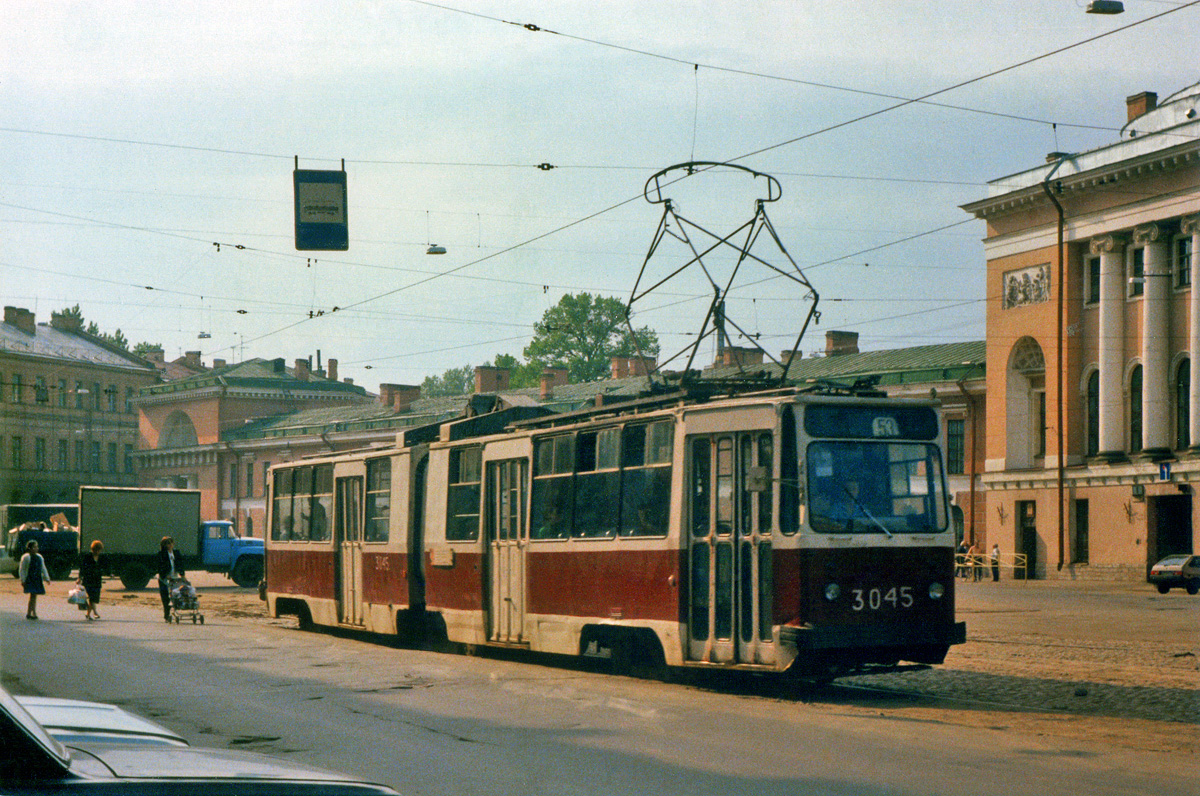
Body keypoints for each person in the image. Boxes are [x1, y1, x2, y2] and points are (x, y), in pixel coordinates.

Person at [19, 540, 52, 620]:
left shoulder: (39, 557)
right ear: (29, 548)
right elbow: (22, 569)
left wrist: (47, 578)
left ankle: (30, 612)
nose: (36, 548)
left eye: (37, 547)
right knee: (33, 596)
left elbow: (43, 568)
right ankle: (32, 612)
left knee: (34, 596)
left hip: (37, 578)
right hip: (30, 579)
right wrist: (22, 580)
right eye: (34, 547)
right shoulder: (26, 557)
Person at [156, 536, 185, 623]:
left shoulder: (176, 553)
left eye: (170, 543)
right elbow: (159, 567)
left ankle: (176, 611)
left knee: (176, 595)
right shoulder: (161, 554)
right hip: (164, 579)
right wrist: (165, 575)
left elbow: (180, 564)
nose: (169, 545)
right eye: (167, 544)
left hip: (174, 577)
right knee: (166, 598)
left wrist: (182, 575)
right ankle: (166, 615)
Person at [79, 540, 105, 620]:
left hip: (97, 580)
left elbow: (102, 567)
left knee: (94, 597)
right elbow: (82, 568)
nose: (98, 552)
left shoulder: (100, 557)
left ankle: (88, 614)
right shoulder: (87, 557)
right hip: (88, 580)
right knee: (91, 597)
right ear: (94, 549)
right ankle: (95, 612)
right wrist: (79, 578)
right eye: (97, 550)